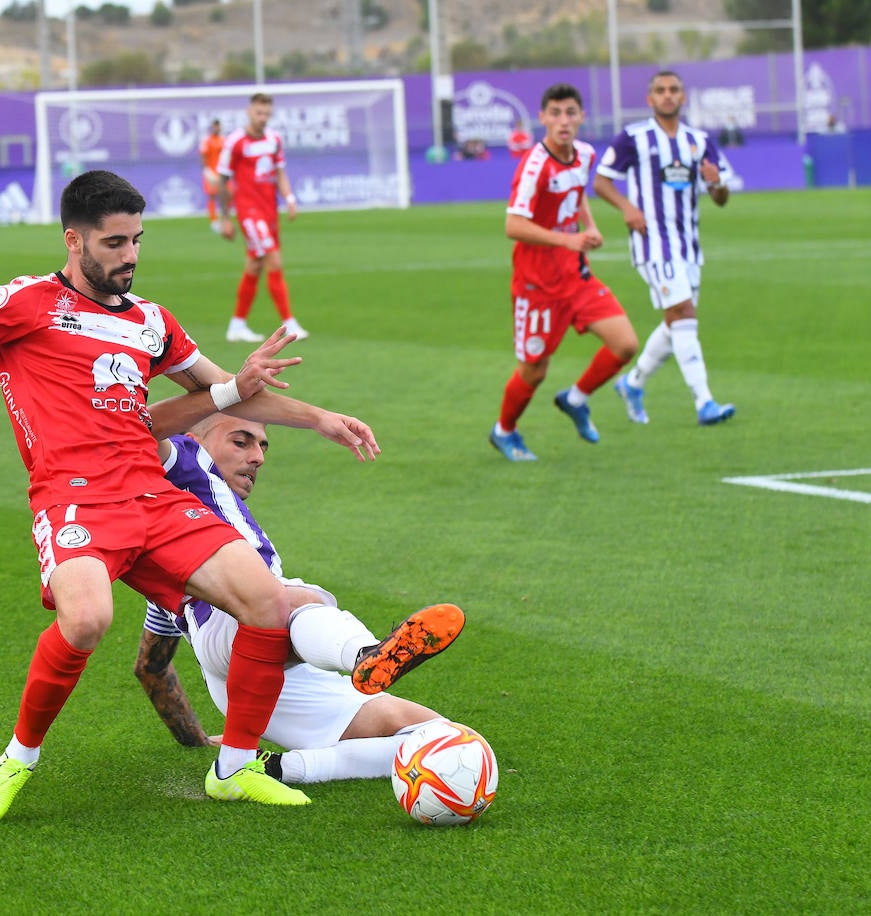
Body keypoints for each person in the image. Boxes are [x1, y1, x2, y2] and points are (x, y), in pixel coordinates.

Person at [0, 169, 386, 827]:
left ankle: (235, 769)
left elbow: (230, 388)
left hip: (153, 494)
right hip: (75, 500)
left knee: (265, 600)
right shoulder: (26, 301)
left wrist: (320, 418)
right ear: (74, 239)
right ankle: (17, 761)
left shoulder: (150, 322)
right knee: (86, 621)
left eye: (137, 241)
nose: (131, 256)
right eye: (115, 243)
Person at [135, 411, 462, 784]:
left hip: (261, 681)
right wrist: (213, 389)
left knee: (446, 739)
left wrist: (193, 738)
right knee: (291, 598)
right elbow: (139, 422)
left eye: (262, 446)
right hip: (239, 630)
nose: (257, 456)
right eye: (240, 442)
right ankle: (364, 654)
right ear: (196, 439)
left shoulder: (174, 543)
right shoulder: (185, 457)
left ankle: (282, 768)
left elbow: (151, 666)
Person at [490, 84, 638, 462]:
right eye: (555, 113)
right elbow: (513, 225)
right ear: (542, 118)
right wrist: (565, 239)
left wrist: (587, 227)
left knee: (625, 344)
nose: (563, 121)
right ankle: (504, 431)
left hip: (577, 277)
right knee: (534, 370)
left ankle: (575, 399)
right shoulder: (533, 165)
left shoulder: (585, 154)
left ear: (581, 117)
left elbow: (578, 192)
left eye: (570, 112)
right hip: (536, 286)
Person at [594, 70, 736, 427]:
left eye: (674, 90)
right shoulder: (634, 137)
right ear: (650, 99)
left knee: (676, 323)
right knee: (685, 314)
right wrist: (627, 207)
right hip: (653, 243)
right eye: (661, 90)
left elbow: (720, 198)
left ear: (683, 97)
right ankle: (705, 402)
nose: (668, 96)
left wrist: (716, 184)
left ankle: (632, 382)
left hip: (688, 245)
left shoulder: (699, 141)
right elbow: (600, 179)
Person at [217, 93, 308, 343]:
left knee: (255, 266)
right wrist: (225, 218)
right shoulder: (235, 141)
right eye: (258, 113)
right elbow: (223, 180)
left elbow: (280, 173)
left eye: (266, 114)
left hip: (269, 211)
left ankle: (236, 325)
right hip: (249, 212)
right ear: (249, 112)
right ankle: (289, 323)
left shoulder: (274, 139)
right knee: (274, 261)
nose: (262, 118)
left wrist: (289, 199)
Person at [199, 118, 225, 233]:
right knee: (212, 196)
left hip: (223, 173)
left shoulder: (224, 140)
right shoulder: (207, 141)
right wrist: (207, 171)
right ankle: (214, 221)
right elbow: (203, 157)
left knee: (225, 196)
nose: (216, 128)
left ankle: (225, 218)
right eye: (214, 126)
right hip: (211, 173)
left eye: (218, 126)